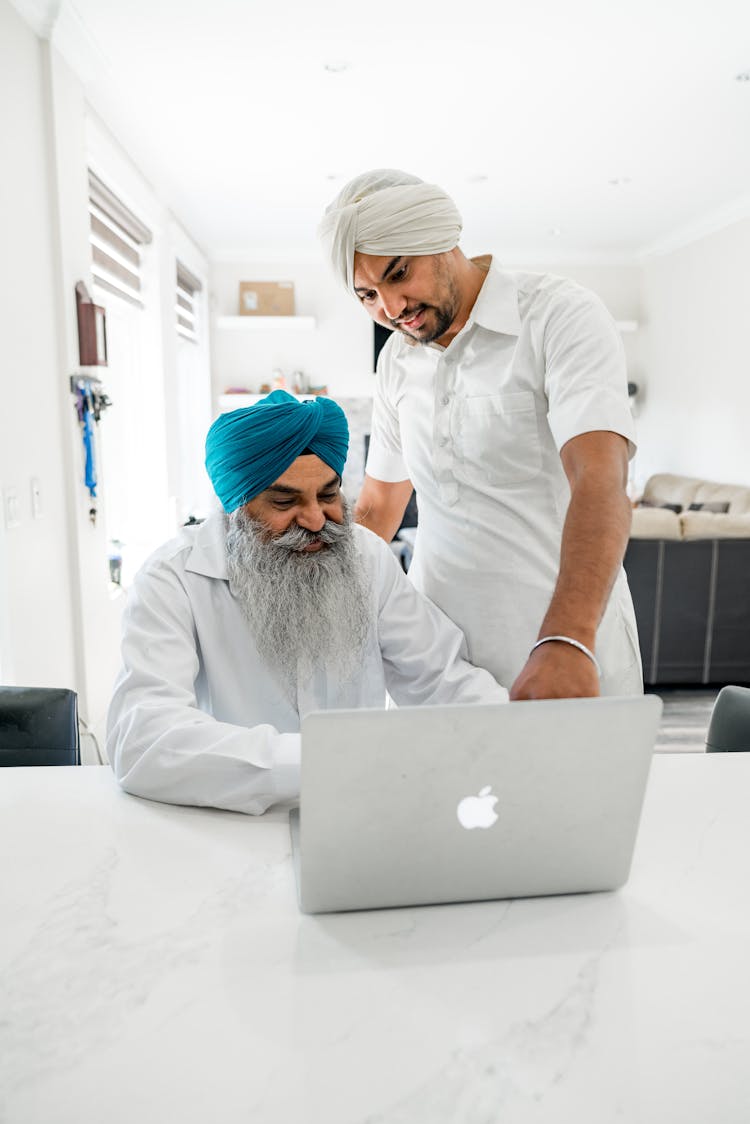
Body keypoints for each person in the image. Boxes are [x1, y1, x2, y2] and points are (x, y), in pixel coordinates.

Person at [318, 169, 642, 701]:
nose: (391, 309)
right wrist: (322, 615)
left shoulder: (558, 316)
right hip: (437, 665)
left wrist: (566, 639)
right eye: (367, 295)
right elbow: (378, 508)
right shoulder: (396, 360)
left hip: (565, 651)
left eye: (399, 274)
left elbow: (601, 481)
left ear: (442, 240)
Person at [106, 390, 507, 815]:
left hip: (357, 818)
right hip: (223, 825)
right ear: (234, 509)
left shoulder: (367, 557)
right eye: (285, 501)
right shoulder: (173, 579)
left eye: (329, 495)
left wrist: (522, 737)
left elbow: (443, 681)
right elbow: (144, 740)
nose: (316, 520)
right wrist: (326, 763)